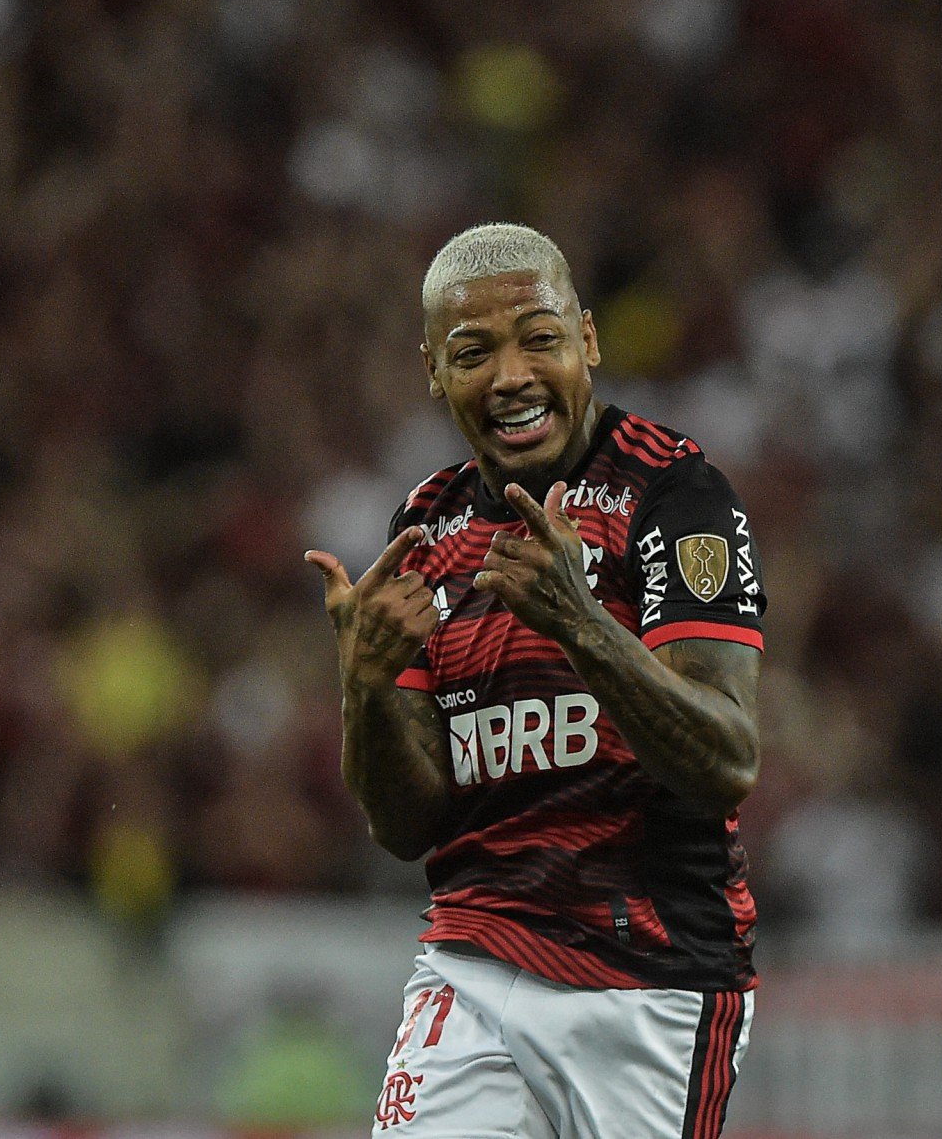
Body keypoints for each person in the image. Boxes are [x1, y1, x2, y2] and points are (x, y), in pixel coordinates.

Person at [305, 224, 767, 1138]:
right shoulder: (424, 527)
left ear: (587, 341)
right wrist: (363, 683)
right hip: (470, 959)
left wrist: (582, 623)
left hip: (647, 979)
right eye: (473, 353)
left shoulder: (675, 496)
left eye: (539, 339)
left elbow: (725, 758)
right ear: (435, 373)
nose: (511, 376)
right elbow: (405, 827)